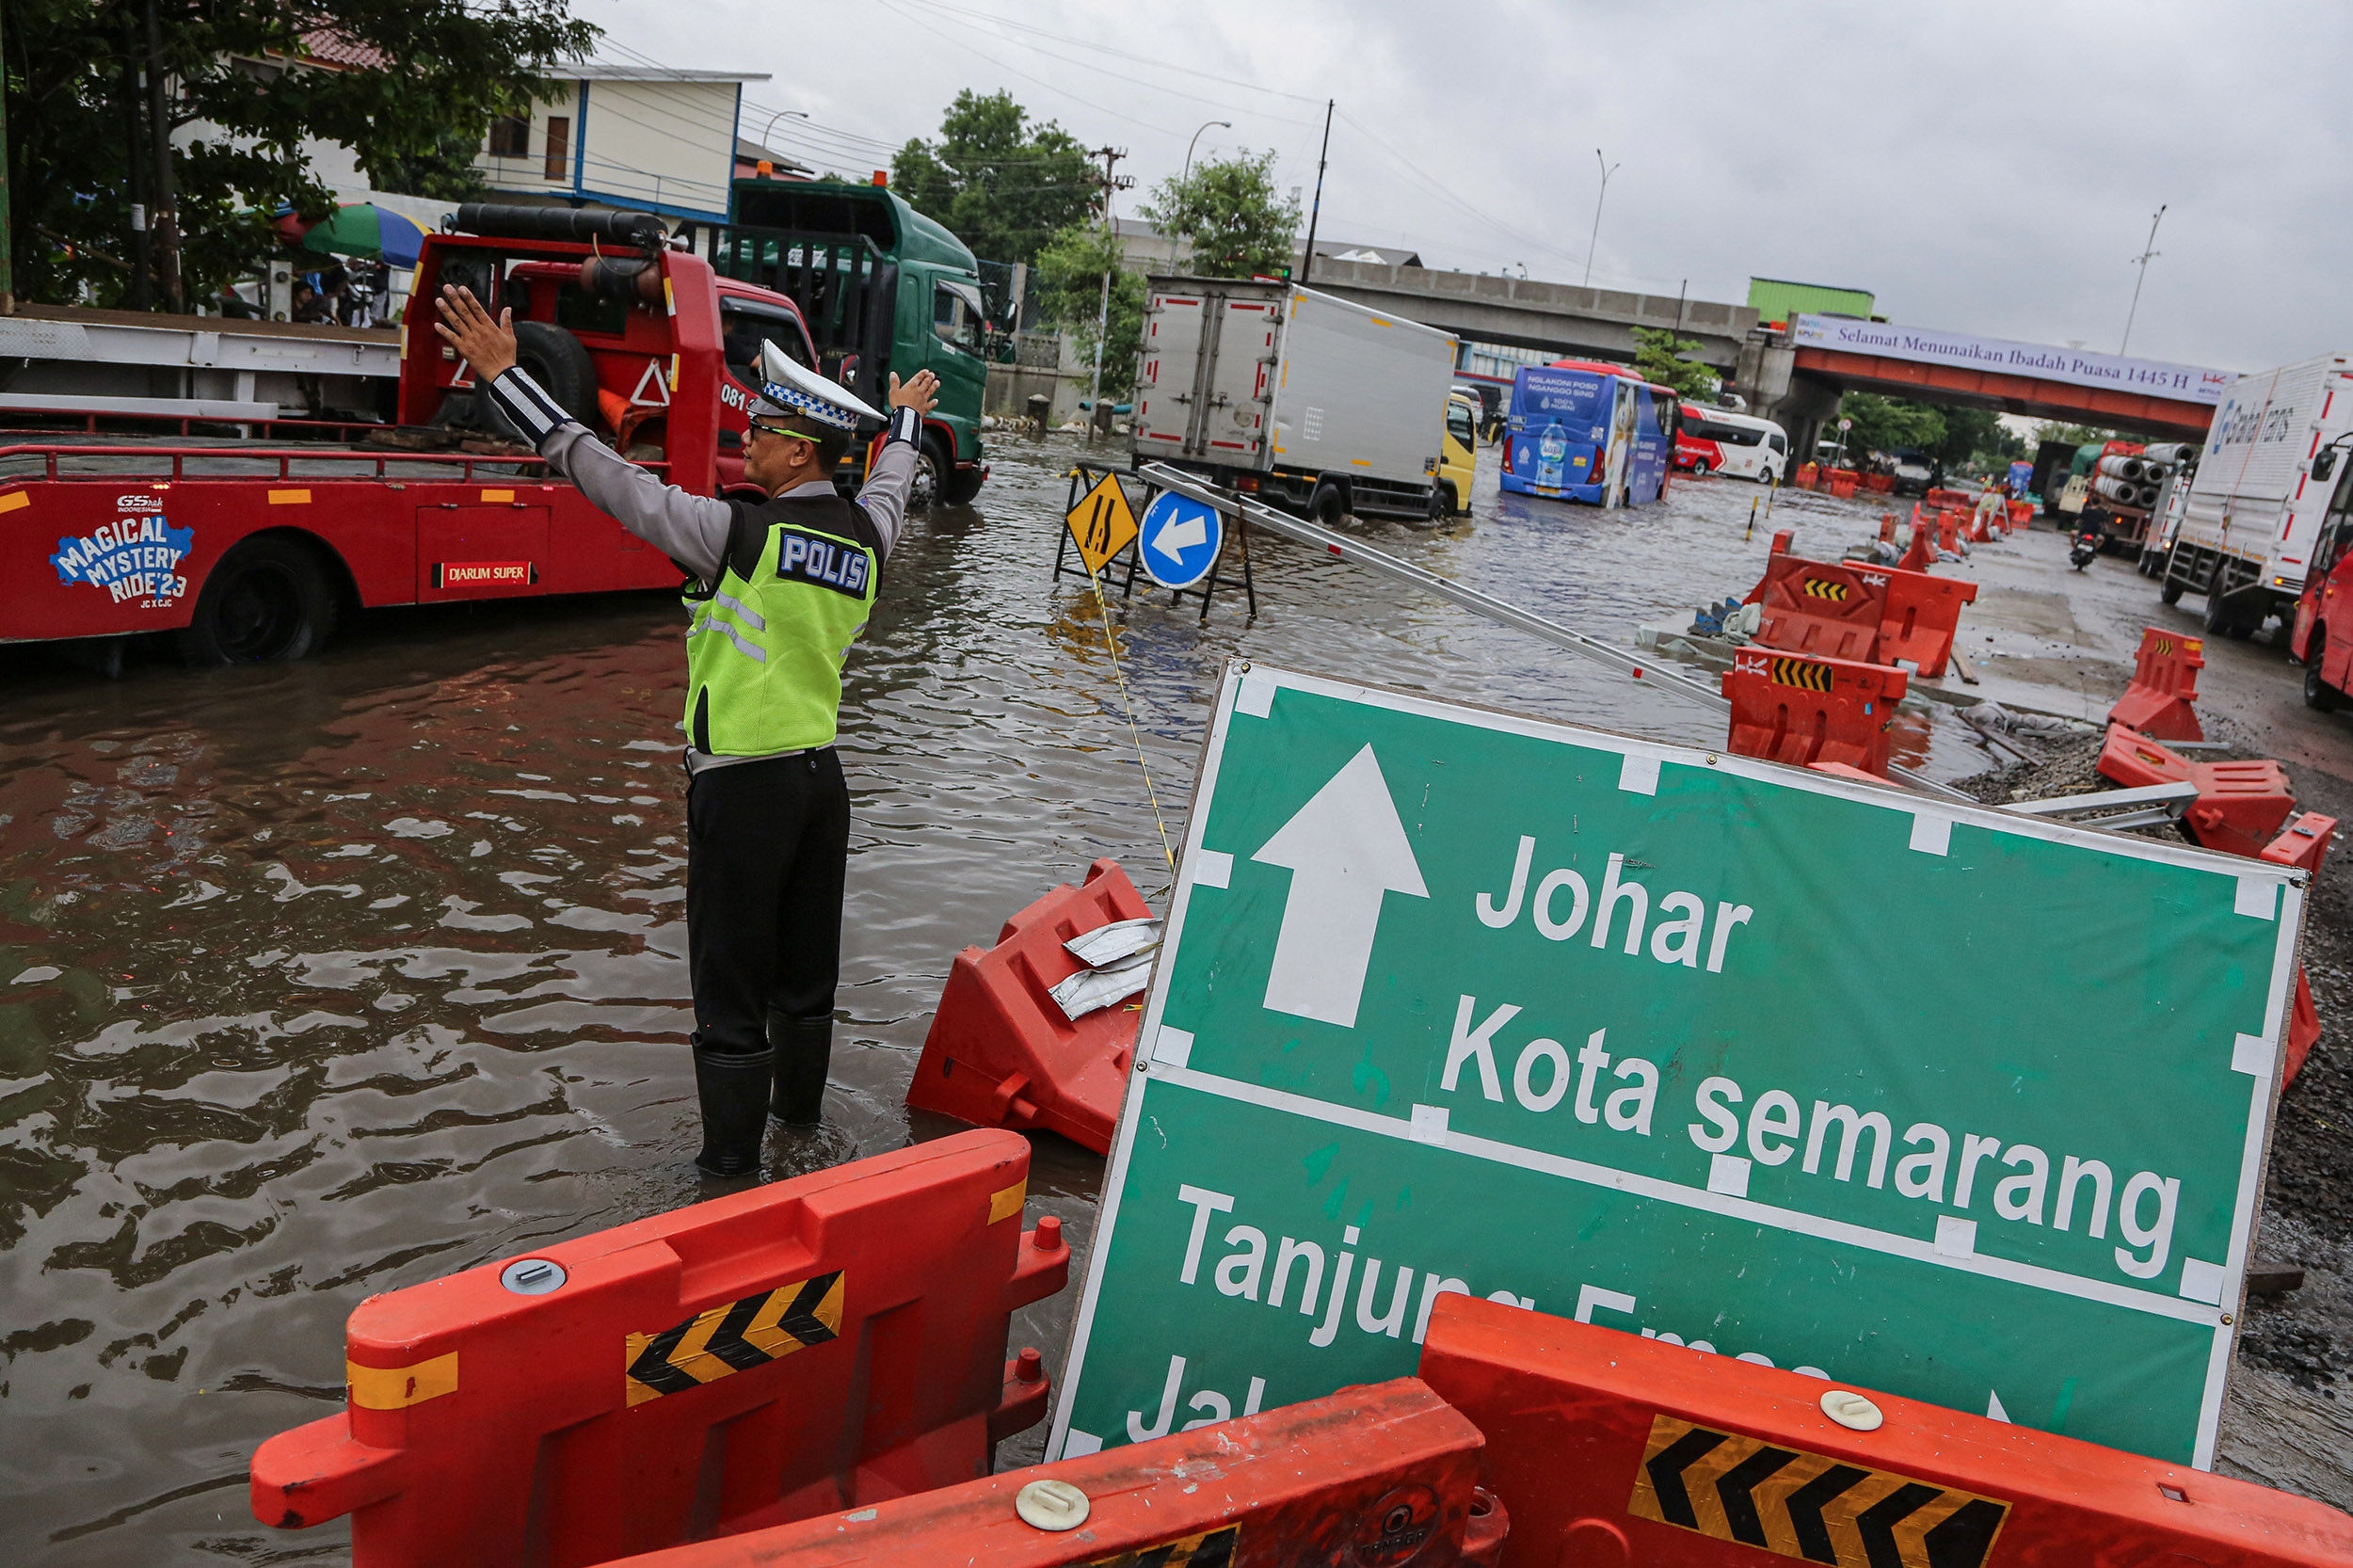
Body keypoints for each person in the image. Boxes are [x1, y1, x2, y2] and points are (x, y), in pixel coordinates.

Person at [432, 282, 941, 1176]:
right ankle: (801, 1134)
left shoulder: (730, 534)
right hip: (823, 786)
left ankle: (726, 1184)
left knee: (730, 993)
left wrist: (509, 381)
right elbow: (896, 478)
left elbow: (604, 476)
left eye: (763, 433)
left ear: (797, 450)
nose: (749, 441)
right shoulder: (869, 536)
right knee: (804, 979)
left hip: (743, 787)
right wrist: (900, 424)